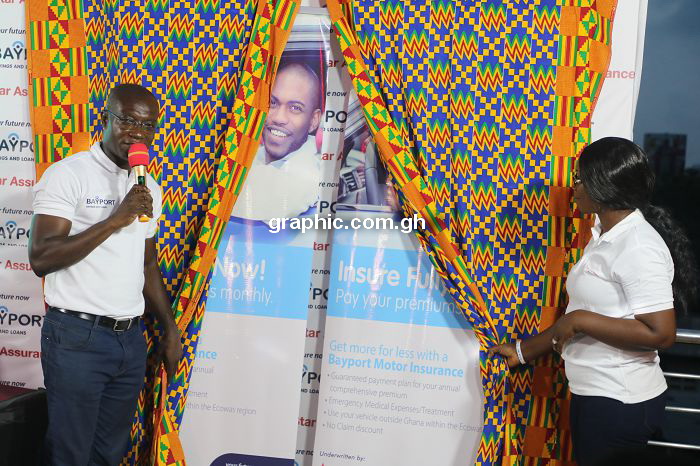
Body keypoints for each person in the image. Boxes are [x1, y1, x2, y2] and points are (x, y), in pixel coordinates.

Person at [488, 137, 698, 465]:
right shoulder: (604, 236)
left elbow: (661, 334)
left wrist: (580, 321)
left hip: (620, 402)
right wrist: (523, 351)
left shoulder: (638, 247)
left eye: (579, 179)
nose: (574, 188)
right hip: (597, 396)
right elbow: (580, 314)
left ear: (603, 185)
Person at [29, 84, 183, 465]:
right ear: (106, 119)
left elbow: (146, 264)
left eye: (148, 127)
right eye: (128, 121)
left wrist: (170, 329)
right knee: (71, 453)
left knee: (109, 454)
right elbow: (42, 258)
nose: (138, 134)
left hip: (128, 341)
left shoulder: (148, 188)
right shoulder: (67, 175)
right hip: (77, 337)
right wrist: (116, 219)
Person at [232, 62, 323, 222]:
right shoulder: (254, 155)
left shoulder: (311, 173)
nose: (279, 118)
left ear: (313, 121)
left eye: (295, 108)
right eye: (273, 103)